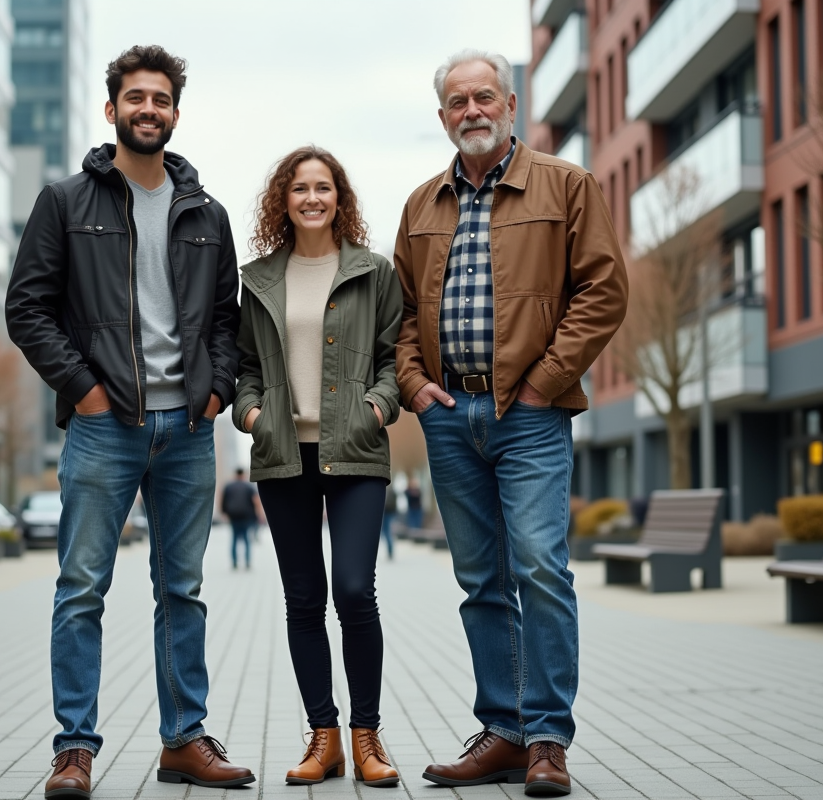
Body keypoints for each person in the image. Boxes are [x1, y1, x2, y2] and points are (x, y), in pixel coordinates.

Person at [5, 45, 253, 800]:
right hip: (103, 426)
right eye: (135, 98)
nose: (150, 110)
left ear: (176, 113)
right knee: (81, 587)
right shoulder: (65, 202)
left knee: (183, 588)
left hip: (187, 430)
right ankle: (74, 750)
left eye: (162, 100)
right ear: (111, 108)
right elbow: (27, 309)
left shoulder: (206, 213)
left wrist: (214, 392)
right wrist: (82, 389)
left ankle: (184, 740)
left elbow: (225, 319)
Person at [394, 50, 628, 796]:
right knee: (480, 581)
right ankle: (503, 729)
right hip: (448, 413)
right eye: (457, 101)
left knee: (540, 569)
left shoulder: (567, 185)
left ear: (511, 104)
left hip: (528, 413)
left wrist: (542, 386)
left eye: (484, 96)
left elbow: (603, 290)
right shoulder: (421, 204)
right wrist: (416, 387)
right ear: (442, 117)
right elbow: (399, 315)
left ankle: (548, 739)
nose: (472, 110)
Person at [233, 146, 403, 787]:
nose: (312, 197)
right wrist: (251, 415)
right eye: (300, 188)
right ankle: (323, 738)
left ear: (340, 199)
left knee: (355, 590)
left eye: (323, 187)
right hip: (284, 454)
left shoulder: (372, 271)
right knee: (304, 599)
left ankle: (367, 736)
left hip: (355, 449)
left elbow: (394, 354)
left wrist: (378, 407)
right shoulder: (256, 280)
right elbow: (244, 367)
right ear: (284, 200)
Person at [220, 468, 260, 569]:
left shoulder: (229, 486)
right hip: (246, 516)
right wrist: (258, 515)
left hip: (233, 515)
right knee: (246, 539)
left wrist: (224, 512)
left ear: (235, 474)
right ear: (243, 475)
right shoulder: (248, 487)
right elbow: (255, 501)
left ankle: (234, 562)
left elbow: (223, 500)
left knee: (234, 538)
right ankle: (247, 562)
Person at [380, 483, 397, 560]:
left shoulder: (389, 490)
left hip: (387, 512)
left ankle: (390, 551)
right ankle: (390, 551)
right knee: (386, 532)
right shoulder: (392, 490)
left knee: (387, 532)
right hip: (389, 512)